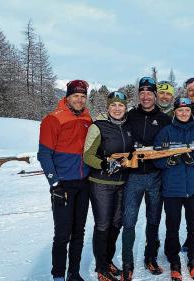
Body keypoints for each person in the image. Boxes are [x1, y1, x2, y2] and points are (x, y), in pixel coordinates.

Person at [38, 80, 92, 281]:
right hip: (63, 185)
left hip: (83, 183)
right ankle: (58, 275)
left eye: (83, 96)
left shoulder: (87, 118)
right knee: (62, 234)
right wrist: (54, 184)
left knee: (79, 231)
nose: (79, 100)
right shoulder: (53, 119)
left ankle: (74, 273)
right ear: (67, 97)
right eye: (76, 96)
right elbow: (44, 155)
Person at [154, 97, 194, 281]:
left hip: (193, 188)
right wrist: (167, 161)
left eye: (187, 110)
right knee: (172, 226)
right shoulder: (166, 132)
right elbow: (155, 155)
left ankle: (193, 259)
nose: (184, 113)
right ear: (175, 112)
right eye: (180, 110)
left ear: (190, 111)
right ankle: (174, 261)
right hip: (172, 189)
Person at [121, 77, 172, 279]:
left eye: (149, 93)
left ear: (155, 95)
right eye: (142, 93)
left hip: (155, 176)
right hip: (133, 176)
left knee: (153, 219)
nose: (145, 96)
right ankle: (127, 263)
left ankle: (150, 257)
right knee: (129, 221)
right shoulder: (129, 116)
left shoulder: (164, 119)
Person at [83, 91, 132, 281]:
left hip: (121, 182)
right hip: (101, 183)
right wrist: (104, 164)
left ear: (125, 107)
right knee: (103, 225)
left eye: (121, 105)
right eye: (114, 105)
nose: (117, 109)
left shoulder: (128, 126)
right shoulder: (98, 126)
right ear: (108, 107)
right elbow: (88, 155)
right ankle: (101, 268)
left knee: (116, 224)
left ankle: (108, 261)